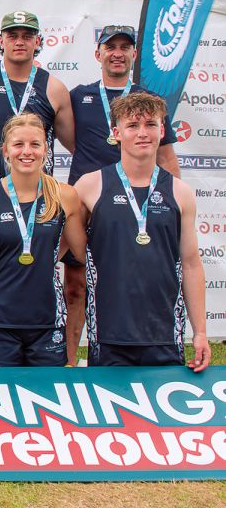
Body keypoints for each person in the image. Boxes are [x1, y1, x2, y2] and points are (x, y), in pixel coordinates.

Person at [62, 24, 181, 364]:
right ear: (97, 53)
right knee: (76, 287)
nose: (117, 52)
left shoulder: (149, 102)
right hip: (89, 204)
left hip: (138, 206)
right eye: (109, 46)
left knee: (133, 281)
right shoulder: (78, 96)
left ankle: (139, 352)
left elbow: (167, 156)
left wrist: (171, 207)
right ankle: (70, 363)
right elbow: (74, 142)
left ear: (132, 54)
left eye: (124, 47)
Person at [74, 93, 209, 371]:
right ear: (117, 133)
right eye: (133, 125)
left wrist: (201, 332)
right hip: (108, 332)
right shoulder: (89, 186)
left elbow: (192, 264)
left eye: (150, 125)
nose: (142, 133)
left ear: (162, 130)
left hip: (163, 333)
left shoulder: (180, 192)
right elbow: (69, 252)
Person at [0, 113, 85, 367]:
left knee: (47, 398)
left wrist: (45, 260)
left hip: (48, 320)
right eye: (18, 145)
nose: (27, 152)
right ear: (5, 150)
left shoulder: (65, 196)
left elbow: (78, 250)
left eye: (35, 144)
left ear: (46, 149)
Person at [0, 10, 74, 191]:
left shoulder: (55, 89)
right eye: (12, 36)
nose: (19, 42)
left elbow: (74, 145)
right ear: (1, 41)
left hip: (38, 192)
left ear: (37, 42)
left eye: (27, 36)